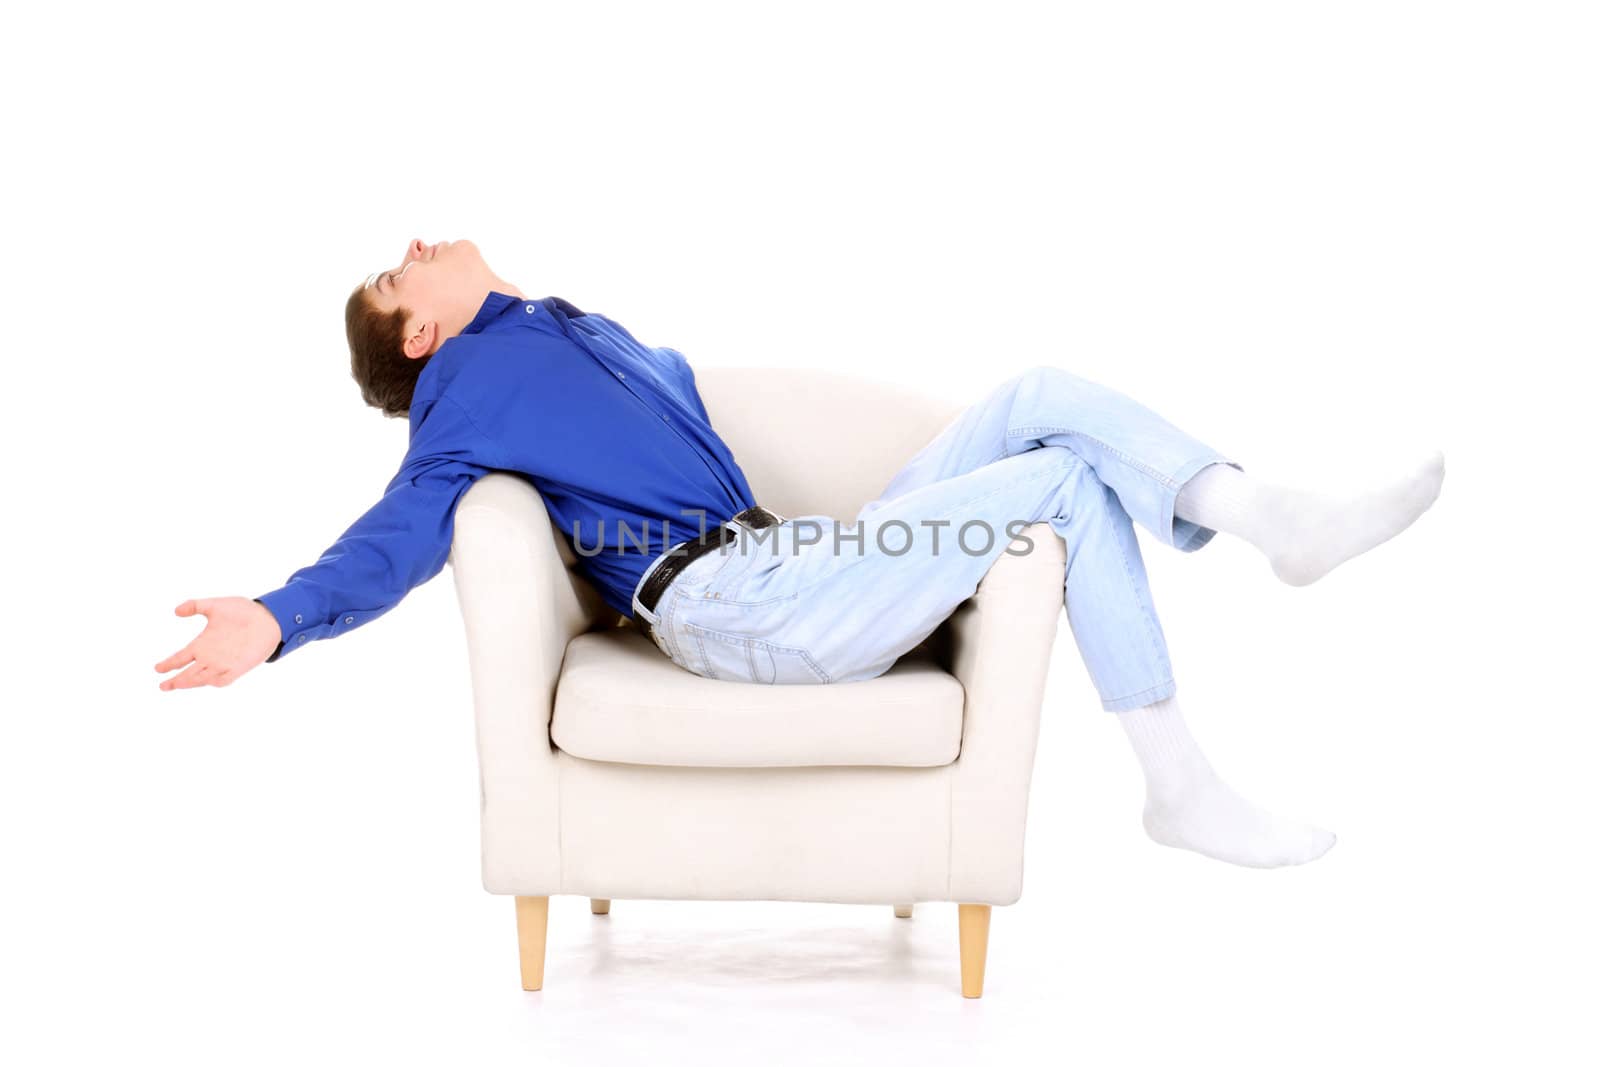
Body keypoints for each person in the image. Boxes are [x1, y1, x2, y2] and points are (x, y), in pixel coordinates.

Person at [155, 237, 1446, 869]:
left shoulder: (553, 327)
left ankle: (1264, 516)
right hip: (738, 609)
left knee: (1039, 392)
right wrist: (275, 619)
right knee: (1056, 483)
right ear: (419, 337)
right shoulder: (460, 405)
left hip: (793, 557)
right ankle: (1184, 778)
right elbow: (397, 536)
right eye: (398, 274)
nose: (417, 246)